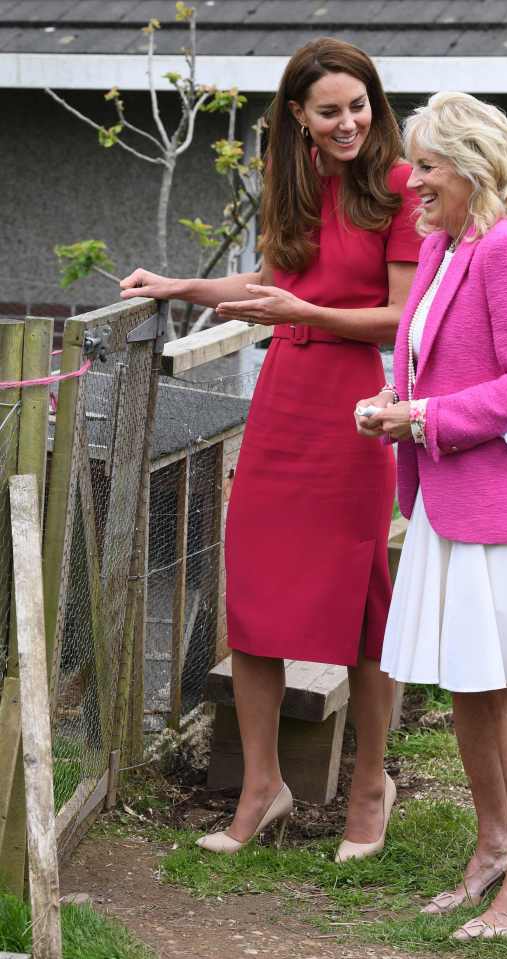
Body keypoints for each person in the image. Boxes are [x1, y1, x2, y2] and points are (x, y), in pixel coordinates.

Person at [121, 38, 420, 861]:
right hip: (283, 399)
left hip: (356, 406)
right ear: (298, 116)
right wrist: (180, 287)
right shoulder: (288, 184)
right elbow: (266, 291)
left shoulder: (399, 187)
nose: (348, 121)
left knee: (363, 605)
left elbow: (401, 318)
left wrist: (306, 311)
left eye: (359, 106)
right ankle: (264, 785)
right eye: (329, 110)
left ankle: (370, 782)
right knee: (253, 597)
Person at [356, 91, 507, 939]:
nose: (408, 180)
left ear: (472, 167)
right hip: (447, 499)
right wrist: (396, 395)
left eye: (425, 165)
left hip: (503, 504)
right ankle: (494, 846)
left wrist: (421, 420)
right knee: (465, 676)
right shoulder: (440, 245)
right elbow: (431, 357)